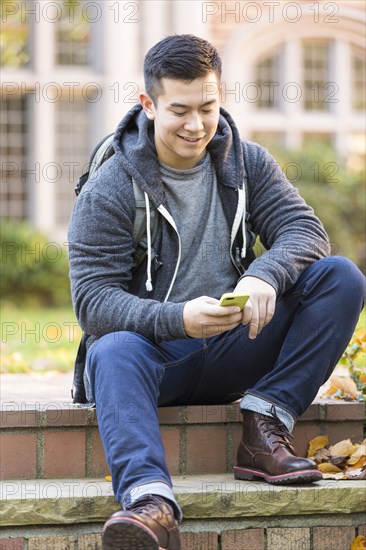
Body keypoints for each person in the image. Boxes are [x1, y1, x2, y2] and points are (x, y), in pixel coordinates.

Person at [67, 34, 365, 550]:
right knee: (109, 346)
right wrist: (177, 318)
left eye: (208, 107)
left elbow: (304, 232)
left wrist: (262, 275)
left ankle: (265, 423)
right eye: (179, 110)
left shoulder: (247, 162)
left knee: (341, 277)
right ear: (149, 104)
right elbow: (92, 301)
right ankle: (150, 503)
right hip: (155, 361)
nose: (196, 124)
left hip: (236, 344)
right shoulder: (112, 185)